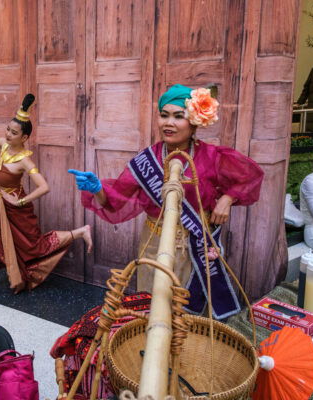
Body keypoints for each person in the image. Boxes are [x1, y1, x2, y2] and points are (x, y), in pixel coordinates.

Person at [69, 84, 264, 320]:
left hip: (195, 244)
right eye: (164, 115)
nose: (168, 123)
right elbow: (117, 200)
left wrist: (227, 198)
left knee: (185, 311)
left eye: (178, 116)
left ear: (193, 121)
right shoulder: (147, 160)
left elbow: (250, 176)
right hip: (154, 243)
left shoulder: (212, 157)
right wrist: (98, 189)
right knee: (152, 306)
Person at [0, 95, 92, 294]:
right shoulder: (3, 145)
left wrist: (21, 202)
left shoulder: (25, 161)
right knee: (7, 243)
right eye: (8, 129)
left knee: (34, 247)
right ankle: (18, 277)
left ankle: (80, 232)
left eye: (14, 132)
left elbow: (44, 187)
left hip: (18, 209)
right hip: (2, 206)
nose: (8, 134)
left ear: (24, 138)